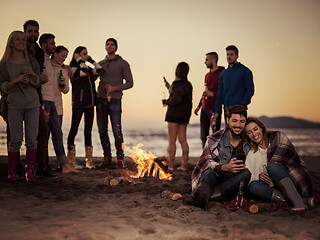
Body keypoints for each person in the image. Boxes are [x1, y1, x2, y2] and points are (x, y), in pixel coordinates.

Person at [186, 105, 251, 210]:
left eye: (242, 121)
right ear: (227, 120)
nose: (238, 125)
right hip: (215, 179)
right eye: (234, 121)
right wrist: (225, 167)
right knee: (208, 172)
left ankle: (202, 198)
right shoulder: (214, 139)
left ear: (245, 122)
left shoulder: (249, 141)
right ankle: (203, 197)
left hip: (233, 183)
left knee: (246, 173)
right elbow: (207, 161)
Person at [244, 117, 314, 211]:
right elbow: (251, 178)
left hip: (292, 179)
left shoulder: (277, 137)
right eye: (249, 132)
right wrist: (259, 176)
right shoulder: (252, 154)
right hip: (274, 187)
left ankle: (298, 203)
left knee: (273, 167)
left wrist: (271, 174)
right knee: (253, 186)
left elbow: (288, 161)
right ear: (247, 136)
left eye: (255, 129)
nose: (254, 134)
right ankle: (292, 199)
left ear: (261, 128)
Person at [0, 31, 41, 181]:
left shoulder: (31, 61)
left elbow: (37, 83)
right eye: (17, 39)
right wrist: (15, 81)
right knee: (15, 139)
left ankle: (29, 171)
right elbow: (2, 86)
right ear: (11, 43)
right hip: (14, 104)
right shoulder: (4, 64)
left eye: (23, 39)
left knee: (32, 139)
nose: (21, 42)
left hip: (32, 103)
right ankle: (11, 172)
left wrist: (32, 74)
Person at [41, 42, 79, 173]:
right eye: (62, 55)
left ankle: (61, 164)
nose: (64, 58)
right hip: (46, 104)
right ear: (55, 54)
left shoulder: (64, 70)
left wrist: (63, 85)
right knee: (44, 135)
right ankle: (44, 164)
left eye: (66, 56)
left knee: (57, 134)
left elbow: (66, 91)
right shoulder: (47, 66)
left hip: (58, 107)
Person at [23, 20, 55, 178]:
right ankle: (15, 168)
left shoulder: (39, 52)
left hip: (36, 97)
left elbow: (38, 76)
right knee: (13, 135)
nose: (33, 34)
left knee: (43, 131)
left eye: (36, 31)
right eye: (30, 31)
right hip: (17, 96)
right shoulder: (18, 49)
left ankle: (41, 167)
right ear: (25, 32)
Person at [96, 38, 133, 169]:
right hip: (100, 100)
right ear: (105, 47)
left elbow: (130, 83)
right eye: (107, 44)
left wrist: (114, 88)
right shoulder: (100, 64)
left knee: (117, 130)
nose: (109, 46)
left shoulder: (123, 63)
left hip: (115, 100)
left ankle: (120, 158)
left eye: (112, 44)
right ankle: (107, 158)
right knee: (101, 130)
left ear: (116, 47)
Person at [67, 46, 104, 169]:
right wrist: (79, 60)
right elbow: (84, 71)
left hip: (90, 105)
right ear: (76, 56)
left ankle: (89, 162)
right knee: (74, 129)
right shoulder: (73, 69)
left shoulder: (87, 67)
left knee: (88, 132)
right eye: (84, 54)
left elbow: (100, 71)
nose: (86, 56)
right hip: (79, 104)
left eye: (87, 54)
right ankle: (71, 161)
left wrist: (92, 60)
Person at [162, 62, 193, 172]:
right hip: (184, 116)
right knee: (183, 140)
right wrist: (169, 87)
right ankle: (184, 165)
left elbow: (176, 99)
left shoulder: (177, 84)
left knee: (172, 141)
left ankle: (170, 165)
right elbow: (179, 94)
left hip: (174, 115)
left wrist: (166, 101)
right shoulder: (188, 84)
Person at [213, 45, 254, 122]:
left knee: (239, 132)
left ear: (237, 56)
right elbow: (220, 93)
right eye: (227, 54)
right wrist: (217, 111)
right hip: (227, 110)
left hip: (239, 110)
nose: (229, 57)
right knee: (228, 132)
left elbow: (250, 90)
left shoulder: (245, 71)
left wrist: (242, 105)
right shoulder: (224, 73)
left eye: (231, 54)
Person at [194, 52, 225, 148]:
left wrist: (213, 94)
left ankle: (216, 158)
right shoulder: (207, 75)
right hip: (204, 109)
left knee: (215, 135)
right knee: (203, 136)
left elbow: (224, 91)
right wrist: (198, 106)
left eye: (207, 60)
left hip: (214, 109)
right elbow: (205, 92)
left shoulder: (222, 73)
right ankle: (205, 157)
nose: (205, 62)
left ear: (213, 60)